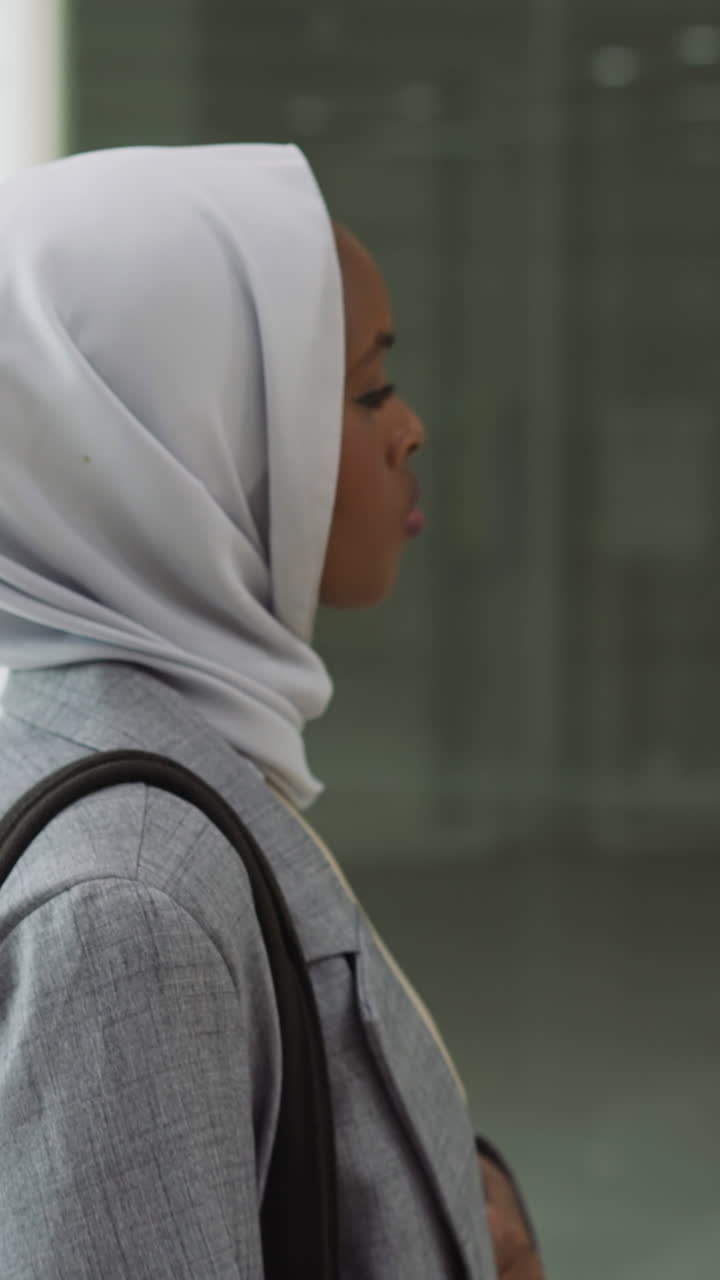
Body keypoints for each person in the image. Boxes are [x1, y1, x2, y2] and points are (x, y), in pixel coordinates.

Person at [0, 143, 543, 1278]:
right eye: (367, 387)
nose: (411, 430)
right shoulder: (130, 904)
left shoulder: (139, 741)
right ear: (185, 438)